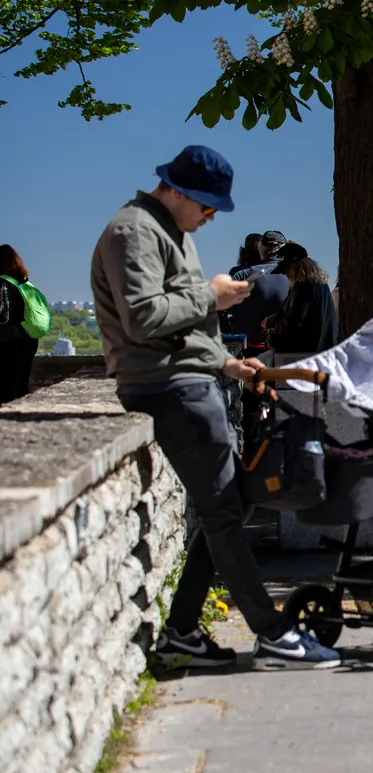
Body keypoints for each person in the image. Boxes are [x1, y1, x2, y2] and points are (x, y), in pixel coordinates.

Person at [90, 145, 338, 668]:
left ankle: (182, 631)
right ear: (177, 192)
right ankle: (271, 632)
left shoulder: (170, 232)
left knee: (230, 508)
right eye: (205, 207)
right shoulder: (133, 232)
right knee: (227, 512)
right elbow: (143, 318)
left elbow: (183, 327)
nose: (208, 219)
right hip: (167, 388)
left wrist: (228, 365)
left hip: (189, 381)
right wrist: (211, 295)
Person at [223, 230, 289, 355]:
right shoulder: (295, 275)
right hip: (285, 349)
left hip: (249, 347)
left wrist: (230, 329)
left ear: (261, 249)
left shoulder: (243, 274)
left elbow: (221, 305)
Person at [0, 245, 42, 403]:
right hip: (29, 338)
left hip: (9, 341)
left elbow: (3, 316)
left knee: (7, 386)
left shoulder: (2, 283)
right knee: (22, 382)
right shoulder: (24, 283)